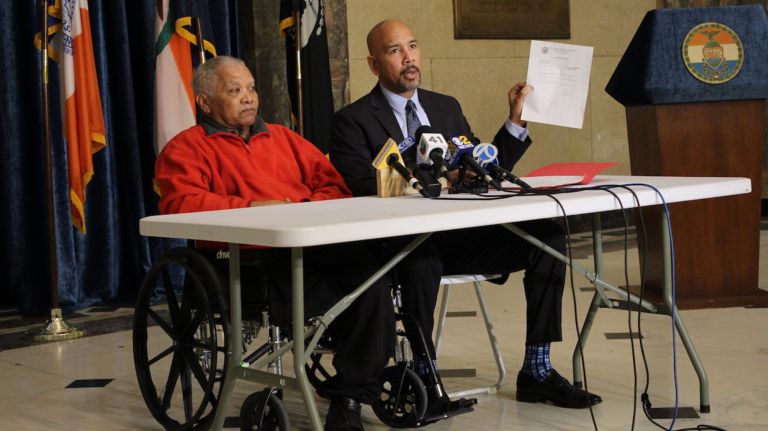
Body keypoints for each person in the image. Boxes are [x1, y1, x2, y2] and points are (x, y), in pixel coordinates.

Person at [329, 19, 602, 409]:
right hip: (403, 244)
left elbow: (486, 169)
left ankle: (537, 370)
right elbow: (360, 184)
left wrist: (516, 119)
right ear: (374, 64)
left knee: (549, 236)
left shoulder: (445, 106)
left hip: (461, 236)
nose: (409, 58)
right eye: (395, 51)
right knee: (421, 258)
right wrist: (441, 176)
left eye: (413, 46)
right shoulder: (352, 120)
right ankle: (425, 374)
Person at [154, 55, 394, 431]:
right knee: (340, 284)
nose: (248, 98)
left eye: (251, 88)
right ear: (204, 102)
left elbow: (333, 184)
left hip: (309, 247)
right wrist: (251, 208)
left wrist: (299, 209)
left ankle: (350, 396)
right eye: (234, 91)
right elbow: (181, 204)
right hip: (244, 262)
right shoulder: (185, 149)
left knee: (371, 279)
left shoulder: (283, 137)